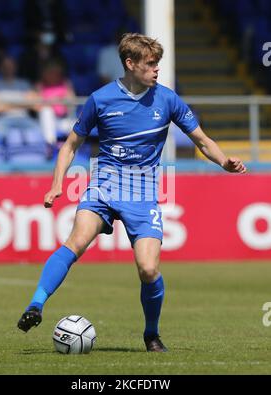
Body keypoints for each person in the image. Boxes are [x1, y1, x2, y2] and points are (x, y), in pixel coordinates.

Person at [17, 33, 246, 352]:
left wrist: (224, 161)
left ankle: (151, 334)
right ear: (130, 63)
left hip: (143, 193)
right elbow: (70, 146)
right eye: (151, 64)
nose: (156, 70)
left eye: (157, 64)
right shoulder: (101, 98)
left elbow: (202, 140)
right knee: (76, 241)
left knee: (149, 269)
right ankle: (36, 305)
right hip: (104, 186)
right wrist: (57, 183)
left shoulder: (167, 99)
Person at [0, 56, 40, 140]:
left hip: (24, 118)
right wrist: (24, 104)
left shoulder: (24, 84)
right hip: (3, 119)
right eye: (5, 66)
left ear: (15, 67)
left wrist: (6, 105)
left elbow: (35, 106)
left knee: (38, 131)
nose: (8, 68)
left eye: (11, 66)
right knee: (0, 128)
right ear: (0, 68)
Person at [34, 59, 77, 146]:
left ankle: (74, 152)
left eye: (56, 72)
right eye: (50, 72)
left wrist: (59, 100)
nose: (53, 75)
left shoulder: (65, 84)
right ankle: (50, 145)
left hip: (63, 119)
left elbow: (72, 103)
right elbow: (37, 106)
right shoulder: (39, 85)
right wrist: (54, 101)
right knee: (46, 110)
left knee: (77, 125)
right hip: (45, 121)